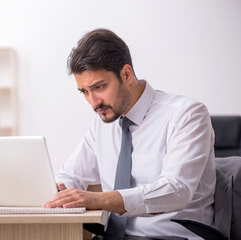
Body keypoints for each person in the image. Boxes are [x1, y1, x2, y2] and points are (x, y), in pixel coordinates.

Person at [44, 29, 216, 240]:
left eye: (99, 87)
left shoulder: (187, 114)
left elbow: (176, 189)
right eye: (85, 92)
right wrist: (61, 188)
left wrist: (101, 200)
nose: (93, 102)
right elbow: (70, 175)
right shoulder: (102, 124)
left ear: (126, 75)